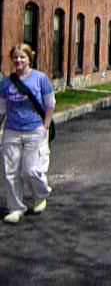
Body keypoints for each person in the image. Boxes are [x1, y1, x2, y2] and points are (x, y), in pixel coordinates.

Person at [0, 44, 55, 224]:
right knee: (10, 172)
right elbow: (1, 109)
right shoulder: (6, 83)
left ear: (29, 58)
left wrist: (45, 126)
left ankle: (41, 194)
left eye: (22, 57)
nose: (18, 60)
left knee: (30, 170)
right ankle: (16, 208)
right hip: (12, 131)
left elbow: (50, 104)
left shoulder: (40, 79)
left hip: (34, 129)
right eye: (15, 57)